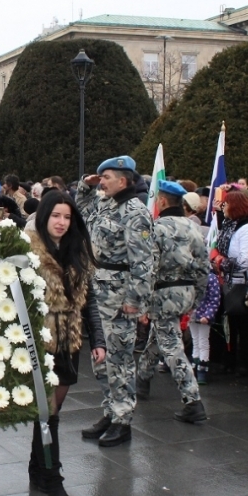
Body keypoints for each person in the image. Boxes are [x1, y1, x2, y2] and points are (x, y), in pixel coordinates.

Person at [26, 191, 105, 496]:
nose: (61, 222)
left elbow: (90, 301)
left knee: (49, 410)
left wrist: (97, 340)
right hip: (37, 343)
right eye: (56, 216)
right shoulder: (26, 251)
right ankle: (54, 482)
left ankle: (37, 467)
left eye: (67, 217)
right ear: (44, 216)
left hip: (68, 344)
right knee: (48, 413)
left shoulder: (77, 252)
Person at [76, 155, 154, 448]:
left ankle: (123, 420)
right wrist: (86, 185)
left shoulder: (135, 212)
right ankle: (110, 412)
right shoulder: (105, 204)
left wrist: (135, 300)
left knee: (120, 359)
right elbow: (81, 209)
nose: (102, 182)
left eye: (106, 176)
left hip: (120, 295)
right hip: (98, 290)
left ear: (123, 180)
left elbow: (143, 261)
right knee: (101, 359)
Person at [134, 179, 210, 422]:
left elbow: (148, 269)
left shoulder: (156, 229)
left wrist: (141, 303)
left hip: (163, 295)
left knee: (172, 346)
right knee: (161, 337)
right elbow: (203, 266)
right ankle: (142, 378)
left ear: (163, 201)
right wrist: (197, 297)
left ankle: (193, 400)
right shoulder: (194, 228)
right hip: (185, 293)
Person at [212, 189, 248, 376]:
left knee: (243, 324)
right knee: (229, 323)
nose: (223, 207)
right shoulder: (230, 225)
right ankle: (229, 358)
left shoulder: (247, 228)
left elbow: (245, 260)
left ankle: (245, 362)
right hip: (229, 281)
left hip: (242, 283)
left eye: (227, 203)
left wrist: (220, 262)